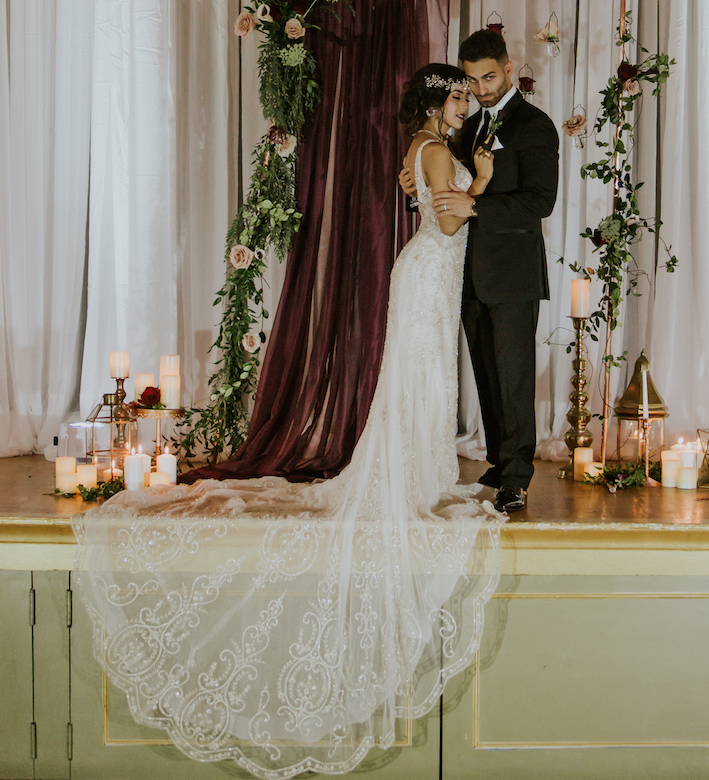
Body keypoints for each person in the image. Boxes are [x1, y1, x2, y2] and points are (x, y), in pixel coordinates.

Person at [76, 64, 505, 778]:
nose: (466, 102)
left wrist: (467, 180)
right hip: (431, 271)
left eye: (467, 93)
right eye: (458, 94)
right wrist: (483, 181)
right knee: (419, 378)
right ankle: (410, 479)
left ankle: (422, 472)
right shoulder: (433, 148)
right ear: (436, 102)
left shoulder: (428, 147)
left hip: (434, 273)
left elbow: (436, 202)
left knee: (425, 382)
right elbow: (453, 214)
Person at [411, 29, 559, 513]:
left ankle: (517, 475)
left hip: (514, 273)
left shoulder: (536, 126)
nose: (480, 88)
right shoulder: (469, 128)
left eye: (489, 77)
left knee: (514, 377)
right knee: (487, 375)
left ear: (509, 68)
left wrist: (477, 210)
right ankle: (499, 459)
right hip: (469, 271)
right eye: (472, 80)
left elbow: (541, 201)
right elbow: (448, 180)